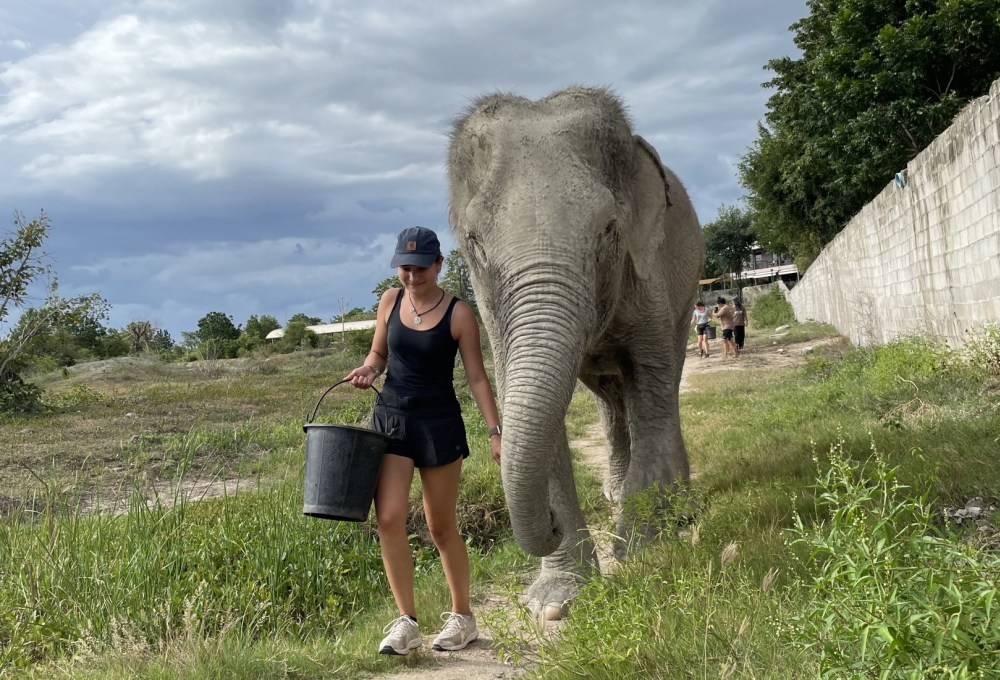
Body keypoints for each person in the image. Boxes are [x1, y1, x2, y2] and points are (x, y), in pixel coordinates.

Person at [345, 226, 502, 656]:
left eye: (420, 268)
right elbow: (379, 354)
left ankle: (463, 617)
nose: (412, 276)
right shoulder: (390, 301)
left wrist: (495, 431)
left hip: (438, 423)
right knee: (390, 518)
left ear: (439, 264)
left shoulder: (459, 314)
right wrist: (368, 371)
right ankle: (406, 623)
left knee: (440, 525)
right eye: (405, 268)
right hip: (392, 419)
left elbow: (476, 378)